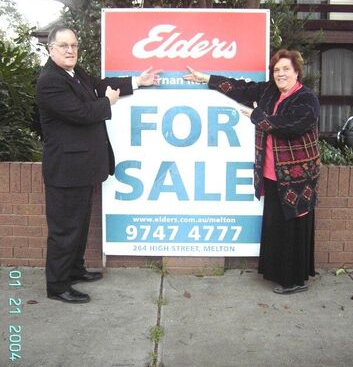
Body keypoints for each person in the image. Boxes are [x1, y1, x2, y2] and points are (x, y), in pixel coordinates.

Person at [36, 26, 161, 303]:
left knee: (78, 225)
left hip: (81, 168)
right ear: (51, 49)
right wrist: (107, 102)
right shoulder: (49, 81)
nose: (70, 50)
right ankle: (57, 285)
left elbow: (98, 84)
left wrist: (138, 82)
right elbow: (81, 113)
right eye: (64, 46)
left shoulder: (74, 72)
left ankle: (74, 269)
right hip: (65, 171)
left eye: (74, 45)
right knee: (65, 230)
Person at [184, 49, 320, 294]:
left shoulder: (306, 98)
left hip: (298, 178)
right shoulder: (269, 91)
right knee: (276, 225)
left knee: (293, 227)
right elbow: (239, 89)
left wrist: (259, 117)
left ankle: (294, 280)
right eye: (277, 70)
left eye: (285, 69)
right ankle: (278, 274)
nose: (280, 74)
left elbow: (294, 126)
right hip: (271, 172)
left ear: (297, 72)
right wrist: (206, 79)